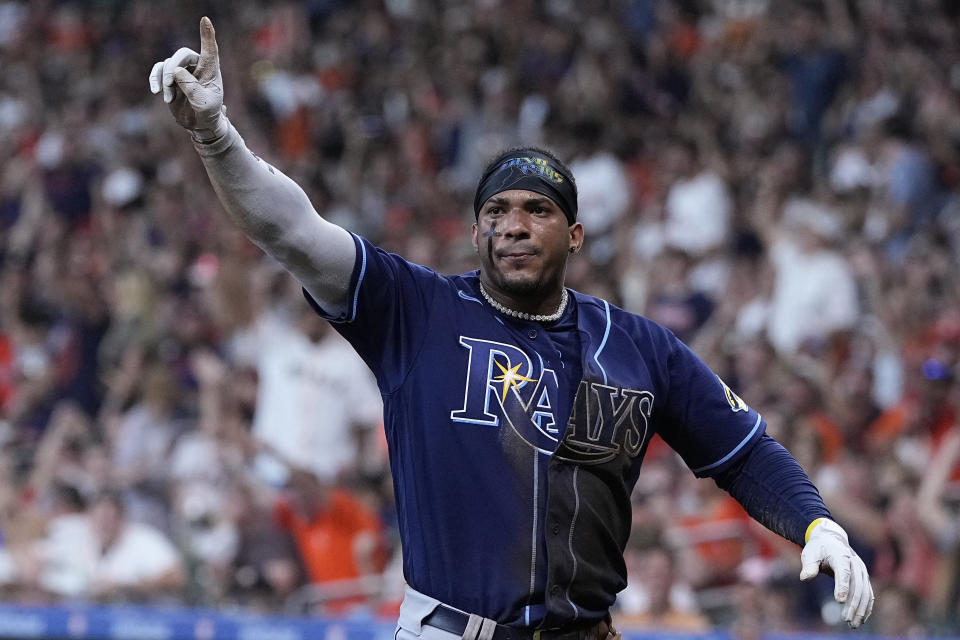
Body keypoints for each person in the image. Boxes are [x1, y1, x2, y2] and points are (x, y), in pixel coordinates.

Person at [148, 18, 875, 638]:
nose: (514, 226)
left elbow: (742, 453)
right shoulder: (416, 311)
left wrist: (818, 526)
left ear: (577, 233)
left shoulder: (639, 346)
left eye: (537, 210)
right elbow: (293, 232)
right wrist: (216, 136)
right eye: (497, 212)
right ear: (476, 233)